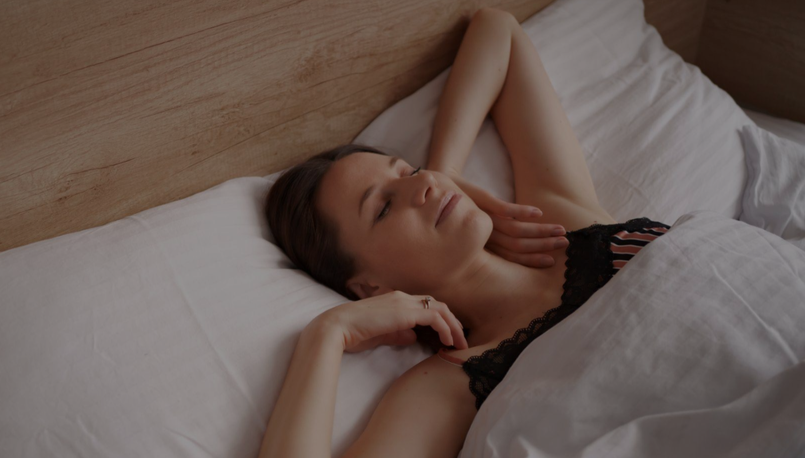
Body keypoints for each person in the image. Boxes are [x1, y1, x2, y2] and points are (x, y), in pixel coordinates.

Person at [257, 7, 670, 458]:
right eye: (384, 207)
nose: (423, 185)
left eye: (410, 171)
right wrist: (329, 333)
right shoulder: (448, 388)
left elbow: (498, 29)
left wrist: (445, 169)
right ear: (371, 287)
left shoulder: (557, 222)